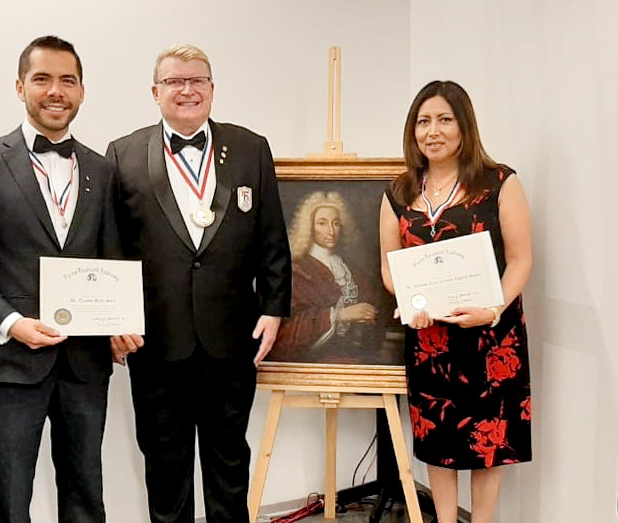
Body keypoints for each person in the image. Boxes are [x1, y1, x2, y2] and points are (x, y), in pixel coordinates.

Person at [0, 36, 131, 523]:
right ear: (20, 86)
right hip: (10, 361)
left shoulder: (102, 170)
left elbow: (111, 256)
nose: (55, 91)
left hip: (85, 364)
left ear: (82, 91)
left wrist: (121, 320)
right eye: (42, 79)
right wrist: (10, 321)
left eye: (68, 80)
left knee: (86, 489)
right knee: (9, 493)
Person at [106, 44, 292, 522]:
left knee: (229, 464)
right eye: (174, 81)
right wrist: (115, 321)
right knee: (165, 468)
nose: (187, 90)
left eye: (198, 80)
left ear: (212, 88)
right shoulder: (122, 154)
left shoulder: (252, 148)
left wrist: (274, 307)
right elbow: (112, 248)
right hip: (154, 342)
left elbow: (272, 236)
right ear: (155, 92)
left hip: (231, 340)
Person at [379, 80, 532, 523]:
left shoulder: (500, 182)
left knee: (491, 440)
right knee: (438, 439)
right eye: (423, 121)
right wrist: (409, 298)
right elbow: (389, 268)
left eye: (445, 119)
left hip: (492, 336)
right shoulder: (398, 192)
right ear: (413, 131)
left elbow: (521, 260)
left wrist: (494, 309)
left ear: (464, 125)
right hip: (430, 337)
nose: (433, 131)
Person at [273, 191, 376, 362]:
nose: (331, 231)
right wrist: (340, 315)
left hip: (352, 361)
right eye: (322, 223)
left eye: (335, 223)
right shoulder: (297, 271)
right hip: (312, 365)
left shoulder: (351, 271)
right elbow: (287, 331)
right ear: (309, 227)